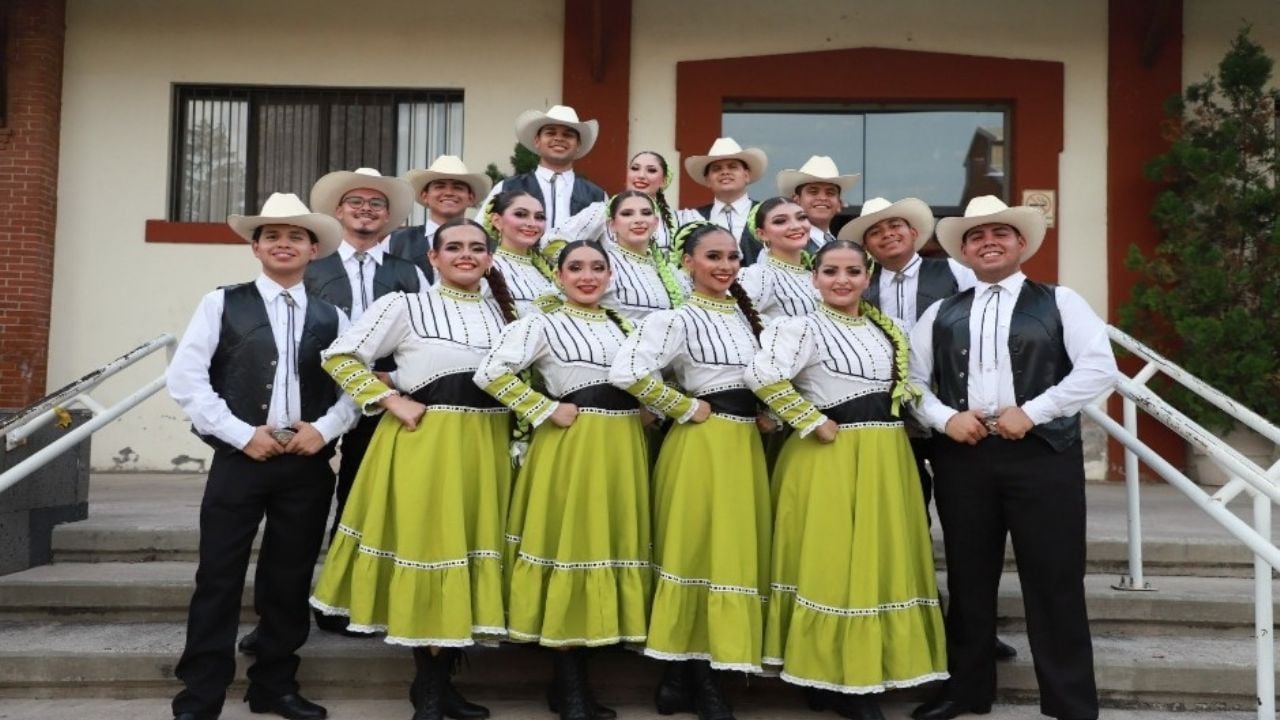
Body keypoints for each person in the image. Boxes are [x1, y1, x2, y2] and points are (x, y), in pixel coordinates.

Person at [908, 197, 1116, 720]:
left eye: (1000, 232)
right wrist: (943, 419)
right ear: (964, 250)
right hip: (965, 457)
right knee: (968, 577)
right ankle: (966, 691)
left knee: (1055, 578)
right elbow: (910, 383)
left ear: (1021, 243)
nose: (989, 241)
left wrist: (1036, 411)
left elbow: (1098, 368)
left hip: (1043, 456)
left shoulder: (1060, 301)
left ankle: (1070, 703)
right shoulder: (941, 312)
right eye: (976, 236)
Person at [310, 218, 519, 720]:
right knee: (431, 550)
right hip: (426, 445)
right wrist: (389, 400)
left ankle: (444, 683)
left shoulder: (507, 316)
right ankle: (426, 691)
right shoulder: (405, 305)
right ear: (434, 257)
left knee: (466, 551)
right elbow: (340, 357)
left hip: (486, 447)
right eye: (454, 248)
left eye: (476, 248)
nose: (465, 255)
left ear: (490, 258)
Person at [167, 192, 357, 720]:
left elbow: (353, 389)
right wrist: (238, 433)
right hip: (239, 461)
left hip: (305, 464)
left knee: (289, 577)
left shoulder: (335, 317)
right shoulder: (221, 303)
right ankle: (200, 695)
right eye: (271, 235)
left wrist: (323, 429)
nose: (283, 243)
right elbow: (185, 379)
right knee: (218, 576)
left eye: (295, 235)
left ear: (313, 249)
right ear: (255, 247)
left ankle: (274, 685)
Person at [745, 239, 947, 720]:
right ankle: (833, 679)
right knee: (831, 561)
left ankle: (861, 671)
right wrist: (809, 419)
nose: (842, 280)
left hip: (886, 457)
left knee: (877, 559)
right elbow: (762, 374)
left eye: (853, 271)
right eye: (831, 271)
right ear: (814, 277)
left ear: (868, 277)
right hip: (829, 455)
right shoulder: (798, 327)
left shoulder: (891, 329)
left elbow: (913, 389)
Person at [474, 240, 651, 720]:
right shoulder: (541, 322)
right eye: (576, 267)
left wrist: (648, 412)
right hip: (572, 448)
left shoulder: (625, 326)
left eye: (597, 267)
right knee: (573, 547)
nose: (587, 276)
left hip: (621, 450)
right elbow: (492, 373)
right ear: (558, 275)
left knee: (606, 546)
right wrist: (545, 408)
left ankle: (579, 675)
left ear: (611, 275)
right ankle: (569, 685)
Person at [840, 198, 1016, 664]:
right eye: (876, 231)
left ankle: (972, 628)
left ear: (914, 232)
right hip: (891, 423)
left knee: (967, 530)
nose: (888, 235)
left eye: (896, 226)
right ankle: (909, 619)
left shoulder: (953, 274)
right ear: (867, 244)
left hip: (953, 418)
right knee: (905, 523)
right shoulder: (860, 281)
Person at [610, 221, 770, 720]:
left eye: (732, 258)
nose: (724, 266)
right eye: (713, 257)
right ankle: (695, 677)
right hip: (701, 445)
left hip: (743, 445)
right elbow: (628, 370)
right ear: (688, 264)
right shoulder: (677, 318)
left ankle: (691, 674)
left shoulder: (752, 320)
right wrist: (680, 406)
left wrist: (771, 414)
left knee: (729, 555)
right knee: (696, 551)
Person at [276, 167, 426, 640]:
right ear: (338, 211)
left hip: (386, 396)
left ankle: (351, 598)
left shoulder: (409, 272)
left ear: (390, 216)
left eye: (376, 204)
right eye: (356, 202)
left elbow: (423, 333)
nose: (366, 210)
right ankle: (292, 605)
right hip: (317, 397)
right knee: (304, 504)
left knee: (364, 498)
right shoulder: (311, 268)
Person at [558, 190, 686, 323]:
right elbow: (554, 300)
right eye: (627, 214)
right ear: (612, 225)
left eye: (646, 213)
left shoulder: (670, 270)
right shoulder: (602, 265)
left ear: (655, 223)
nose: (638, 220)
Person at [476, 104, 606, 230]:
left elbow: (609, 243)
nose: (559, 138)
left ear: (578, 145)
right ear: (537, 141)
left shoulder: (597, 195)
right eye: (550, 133)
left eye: (568, 135)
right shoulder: (507, 187)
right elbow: (481, 231)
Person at [388, 155, 493, 280]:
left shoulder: (488, 245)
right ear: (425, 196)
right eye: (440, 186)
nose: (449, 192)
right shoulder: (395, 241)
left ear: (471, 198)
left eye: (458, 187)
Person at [547, 151, 679, 250]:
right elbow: (555, 239)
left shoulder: (675, 219)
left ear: (664, 180)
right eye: (635, 168)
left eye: (651, 170)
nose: (641, 175)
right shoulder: (602, 211)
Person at [677, 138, 769, 266]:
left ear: (747, 175)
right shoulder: (693, 218)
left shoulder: (766, 214)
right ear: (707, 180)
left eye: (733, 167)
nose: (725, 172)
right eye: (716, 169)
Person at [737, 197, 821, 325]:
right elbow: (730, 320)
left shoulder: (813, 276)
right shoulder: (759, 275)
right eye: (780, 221)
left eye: (801, 217)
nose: (796, 226)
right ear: (761, 234)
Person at [483, 189, 558, 316]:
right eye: (520, 214)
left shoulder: (549, 270)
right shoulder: (486, 267)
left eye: (539, 217)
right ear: (497, 221)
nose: (532, 223)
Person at [776, 155, 860, 251]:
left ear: (839, 204)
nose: (822, 198)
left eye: (830, 193)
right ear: (796, 200)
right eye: (813, 192)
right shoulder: (785, 245)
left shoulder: (843, 247)